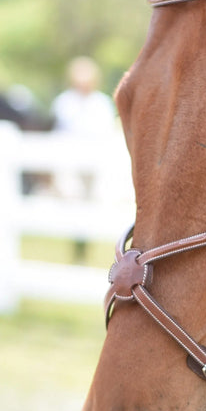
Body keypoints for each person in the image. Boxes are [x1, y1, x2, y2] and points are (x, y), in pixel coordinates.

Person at [50, 57, 116, 261]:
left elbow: (106, 133)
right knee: (73, 200)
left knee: (90, 202)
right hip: (70, 163)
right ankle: (76, 245)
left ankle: (84, 246)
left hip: (94, 163)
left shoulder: (101, 103)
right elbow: (58, 134)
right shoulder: (64, 103)